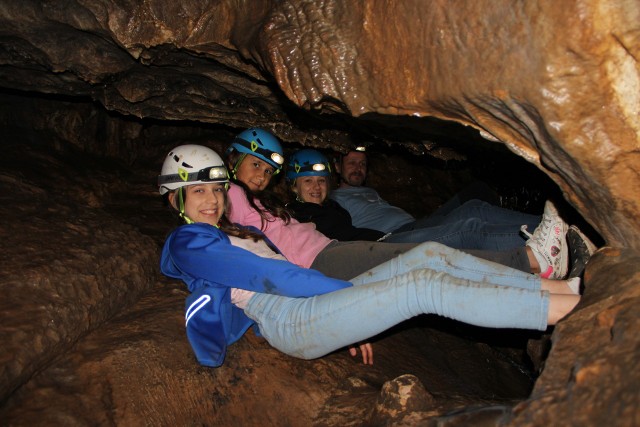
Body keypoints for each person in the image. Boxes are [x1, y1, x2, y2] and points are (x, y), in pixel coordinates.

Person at [157, 144, 582, 368]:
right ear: (175, 199)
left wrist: (346, 303)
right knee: (422, 287)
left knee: (430, 254)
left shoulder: (233, 229)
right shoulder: (189, 242)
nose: (212, 200)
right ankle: (570, 311)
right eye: (199, 191)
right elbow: (273, 277)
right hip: (288, 317)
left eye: (216, 190)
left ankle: (560, 287)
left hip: (308, 302)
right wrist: (348, 297)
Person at [223, 128, 557, 280]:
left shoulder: (283, 209)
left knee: (470, 217)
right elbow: (218, 210)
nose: (262, 175)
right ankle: (535, 256)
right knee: (458, 232)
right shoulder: (246, 199)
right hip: (342, 253)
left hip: (348, 249)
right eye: (256, 166)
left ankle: (545, 239)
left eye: (268, 170)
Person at [287, 148, 592, 279]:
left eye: (319, 181)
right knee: (467, 228)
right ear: (292, 186)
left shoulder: (332, 205)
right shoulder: (298, 215)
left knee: (473, 209)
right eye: (308, 182)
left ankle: (558, 229)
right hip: (384, 246)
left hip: (393, 235)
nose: (316, 187)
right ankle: (552, 246)